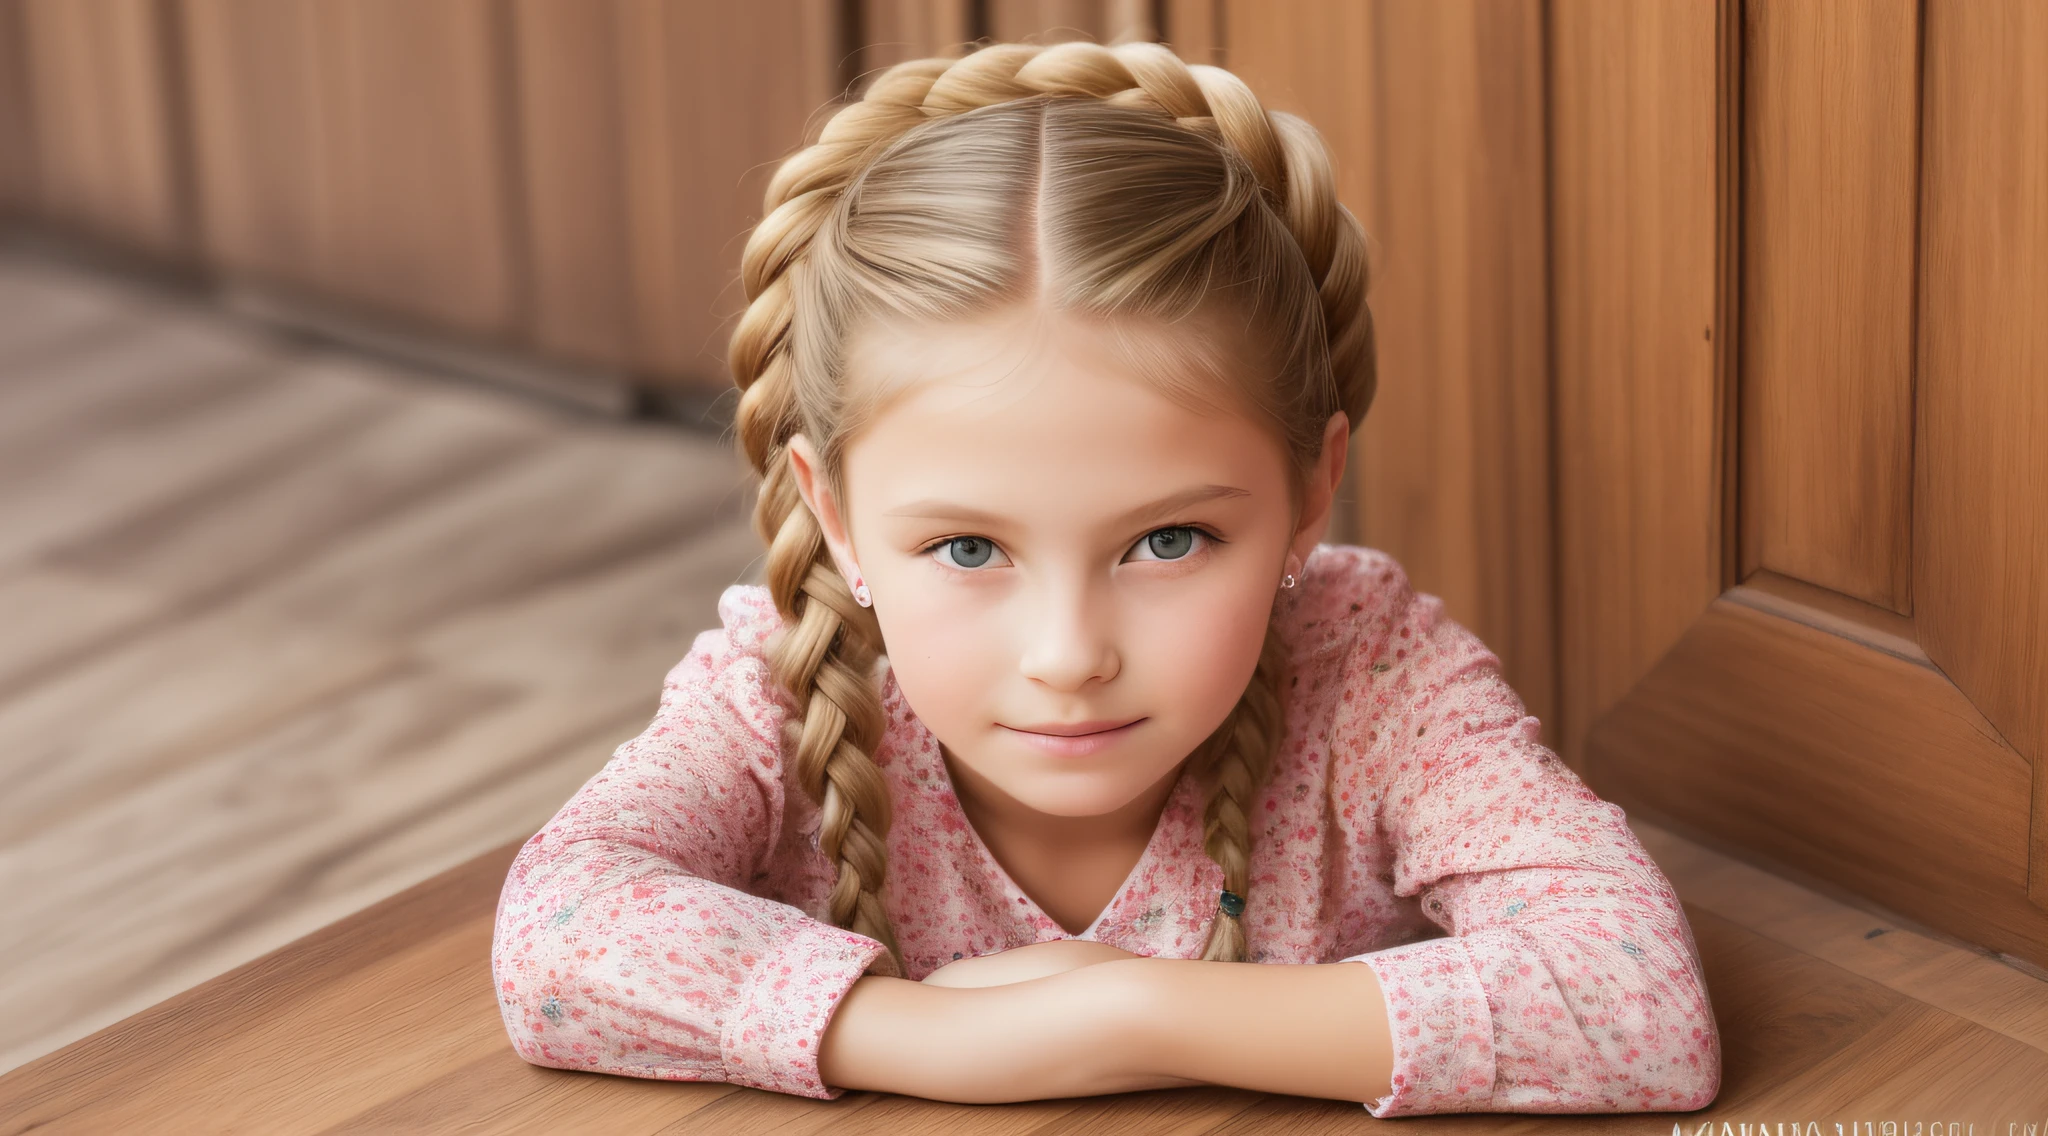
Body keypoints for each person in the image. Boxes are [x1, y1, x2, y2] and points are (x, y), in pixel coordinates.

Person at [489, 38, 1721, 1117]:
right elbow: (556, 933)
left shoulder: (1372, 664)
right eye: (967, 548)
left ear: (1306, 495)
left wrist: (1123, 1011)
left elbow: (1635, 992)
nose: (1068, 652)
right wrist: (940, 1037)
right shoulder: (787, 681)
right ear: (836, 517)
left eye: (1167, 540)